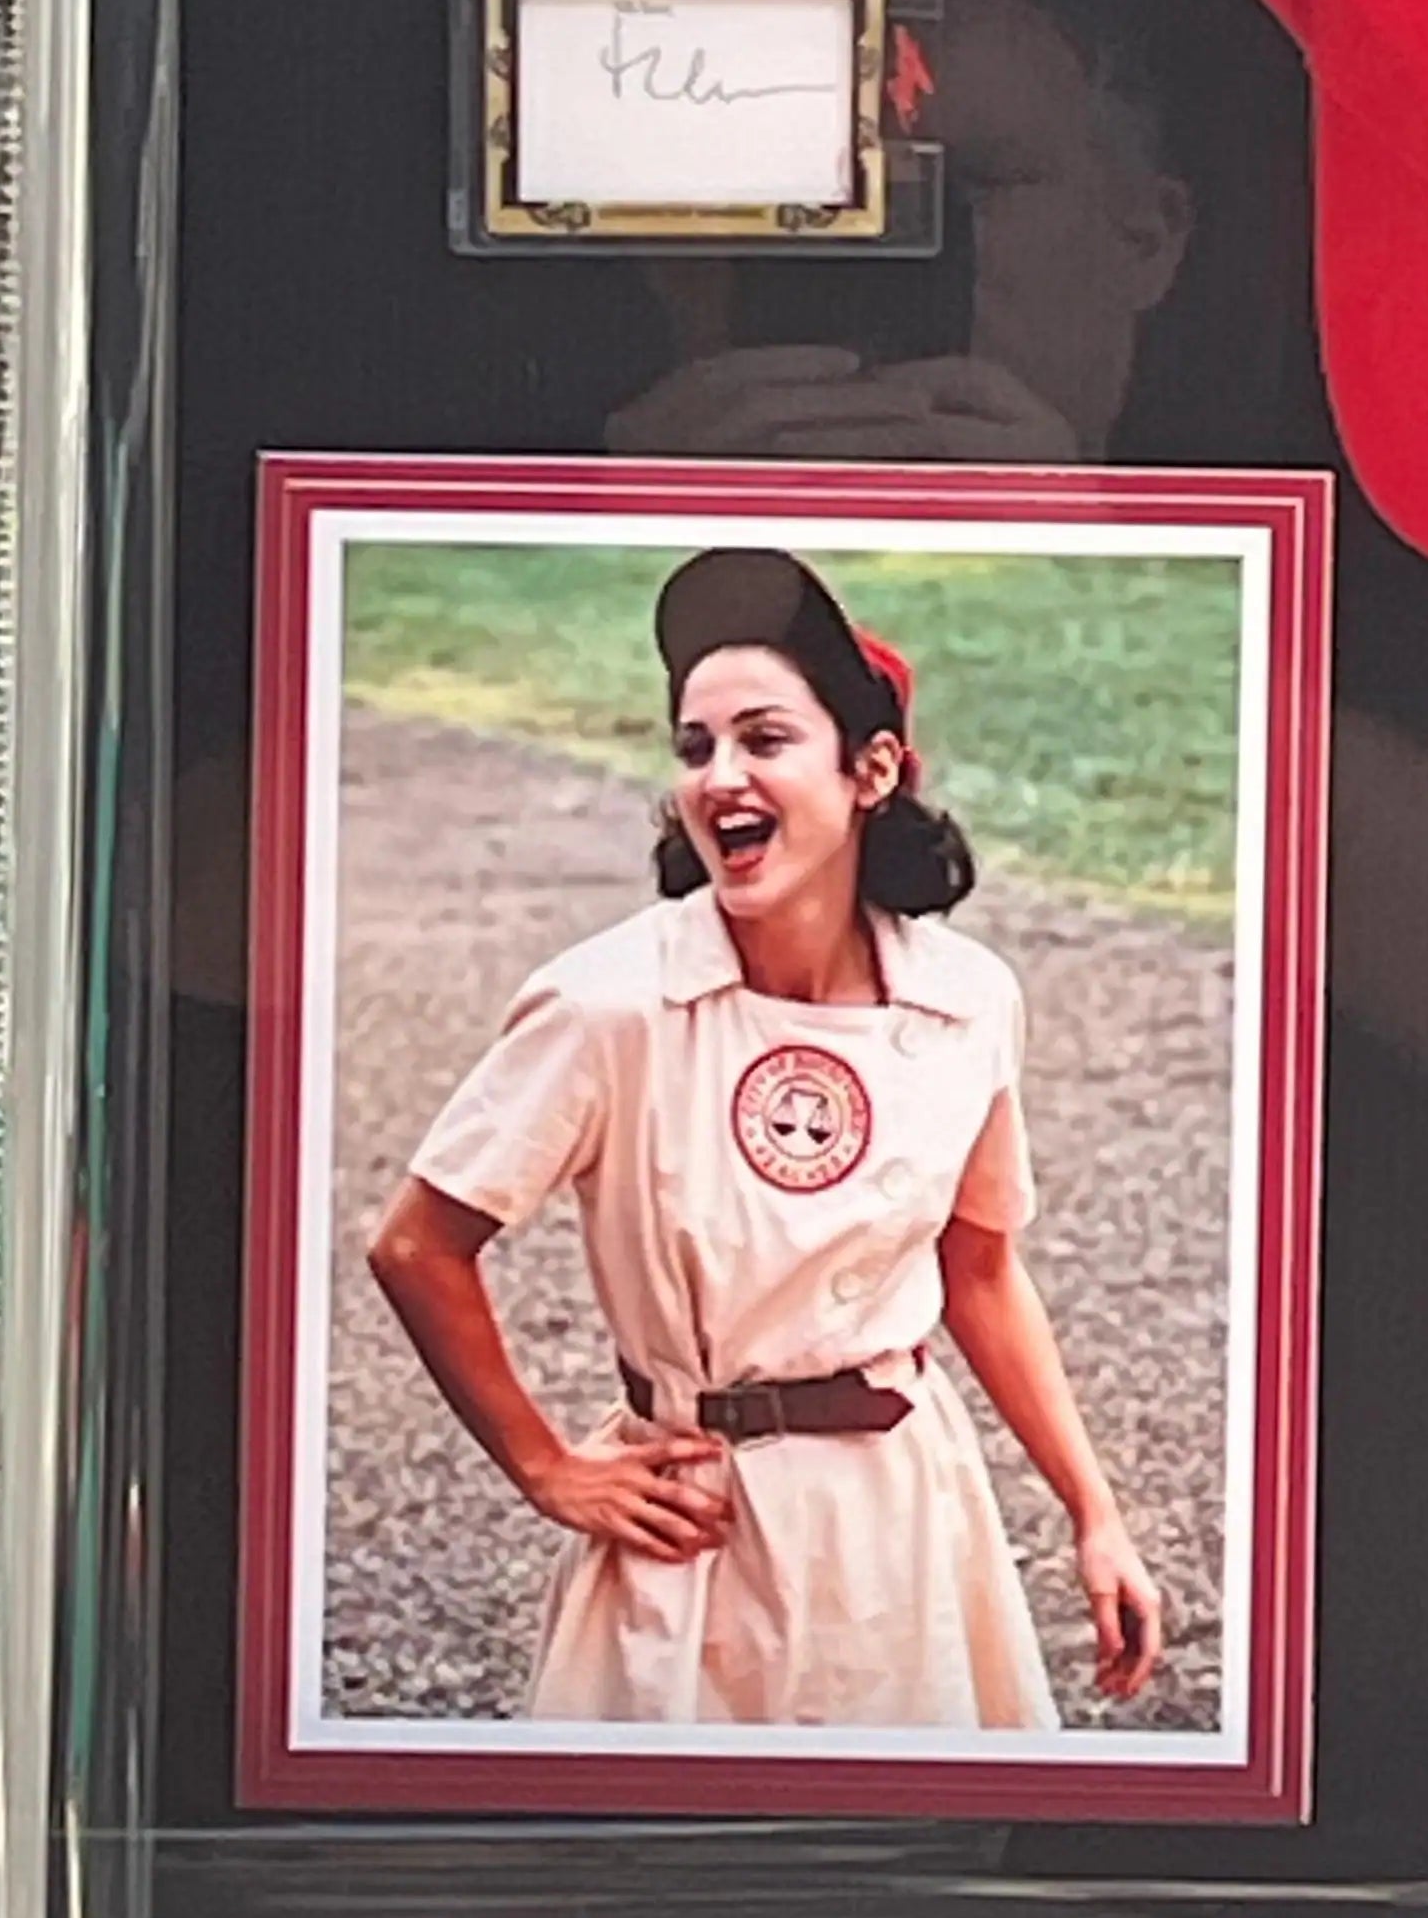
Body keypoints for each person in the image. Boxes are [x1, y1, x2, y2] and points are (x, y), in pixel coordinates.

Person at [365, 548, 1162, 1726]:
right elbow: (418, 1245)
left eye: (764, 740)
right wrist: (547, 1468)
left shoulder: (968, 1000)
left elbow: (981, 1270)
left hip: (905, 1515)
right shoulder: (610, 1005)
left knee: (918, 1877)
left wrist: (1096, 1515)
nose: (720, 776)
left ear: (870, 770)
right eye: (696, 748)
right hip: (697, 1523)